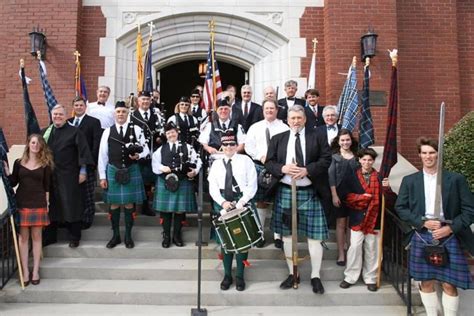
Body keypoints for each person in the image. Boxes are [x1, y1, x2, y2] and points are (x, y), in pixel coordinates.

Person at [396, 137, 474, 316]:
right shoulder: (410, 181)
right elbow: (401, 208)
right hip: (422, 234)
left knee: (449, 283)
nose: (428, 156)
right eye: (424, 153)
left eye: (431, 153)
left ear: (438, 155)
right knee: (426, 281)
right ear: (419, 155)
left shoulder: (455, 180)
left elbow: (470, 210)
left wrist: (451, 228)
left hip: (449, 235)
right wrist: (421, 222)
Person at [265, 104, 331, 294]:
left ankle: (315, 276)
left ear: (305, 119)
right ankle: (292, 273)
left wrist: (307, 170)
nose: (296, 121)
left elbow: (326, 159)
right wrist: (282, 169)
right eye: (292, 118)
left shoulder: (317, 136)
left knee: (314, 238)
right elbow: (269, 162)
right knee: (286, 237)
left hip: (310, 191)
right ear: (287, 120)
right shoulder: (278, 139)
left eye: (299, 118)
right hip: (286, 190)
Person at [339, 148, 395, 292]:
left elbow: (390, 200)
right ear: (359, 160)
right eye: (364, 159)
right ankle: (350, 277)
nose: (367, 162)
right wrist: (361, 198)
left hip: (375, 218)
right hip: (357, 218)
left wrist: (387, 189)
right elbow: (345, 196)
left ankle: (370, 278)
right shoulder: (351, 176)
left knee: (373, 249)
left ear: (373, 161)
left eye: (370, 160)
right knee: (355, 247)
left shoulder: (380, 177)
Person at [208, 132, 257, 291]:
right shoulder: (216, 164)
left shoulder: (246, 161)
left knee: (243, 241)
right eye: (226, 144)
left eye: (232, 144)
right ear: (222, 146)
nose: (229, 147)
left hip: (242, 201)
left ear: (236, 145)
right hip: (222, 201)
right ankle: (227, 275)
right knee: (226, 242)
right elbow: (213, 187)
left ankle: (240, 276)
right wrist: (222, 202)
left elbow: (252, 185)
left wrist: (241, 202)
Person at [98, 101, 149, 249]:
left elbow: (145, 150)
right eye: (118, 111)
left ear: (128, 114)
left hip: (131, 168)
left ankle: (128, 235)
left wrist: (139, 157)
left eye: (123, 112)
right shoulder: (107, 131)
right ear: (115, 114)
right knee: (114, 204)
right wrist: (102, 176)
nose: (121, 114)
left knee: (128, 203)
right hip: (113, 170)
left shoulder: (137, 129)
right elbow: (102, 155)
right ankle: (115, 236)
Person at [4, 134, 53, 286]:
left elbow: (47, 187)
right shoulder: (19, 163)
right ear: (28, 144)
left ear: (41, 146)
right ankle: (25, 271)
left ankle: (36, 270)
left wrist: (47, 204)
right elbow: (13, 183)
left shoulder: (45, 165)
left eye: (38, 143)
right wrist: (6, 172)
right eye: (33, 142)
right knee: (23, 239)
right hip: (22, 203)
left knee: (37, 238)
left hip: (38, 204)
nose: (35, 145)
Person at [42, 104, 94, 248]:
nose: (57, 117)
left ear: (66, 116)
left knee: (72, 205)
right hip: (50, 177)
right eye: (55, 114)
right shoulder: (45, 132)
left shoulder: (75, 132)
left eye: (60, 114)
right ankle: (51, 236)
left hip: (69, 175)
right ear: (51, 116)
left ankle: (74, 237)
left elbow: (83, 152)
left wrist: (83, 171)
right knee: (51, 207)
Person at [244, 98, 289, 248]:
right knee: (261, 202)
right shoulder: (255, 127)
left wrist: (276, 162)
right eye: (266, 108)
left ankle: (278, 236)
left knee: (278, 202)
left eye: (272, 108)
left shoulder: (284, 128)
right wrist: (260, 156)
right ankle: (260, 234)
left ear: (277, 110)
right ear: (263, 111)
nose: (269, 111)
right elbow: (249, 147)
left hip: (278, 168)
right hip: (259, 166)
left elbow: (288, 148)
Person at [152, 122, 201, 248]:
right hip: (165, 181)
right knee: (166, 211)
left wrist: (194, 171)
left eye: (173, 132)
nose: (171, 135)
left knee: (179, 211)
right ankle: (166, 236)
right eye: (168, 133)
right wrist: (162, 168)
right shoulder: (161, 149)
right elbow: (155, 164)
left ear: (177, 133)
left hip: (183, 181)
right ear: (165, 135)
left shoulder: (188, 147)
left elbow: (197, 161)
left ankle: (177, 235)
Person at [68, 96, 103, 229]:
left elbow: (96, 143)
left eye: (81, 105)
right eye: (76, 105)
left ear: (85, 107)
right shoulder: (69, 122)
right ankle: (75, 217)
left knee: (87, 194)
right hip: (71, 165)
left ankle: (87, 218)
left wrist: (91, 162)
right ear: (73, 107)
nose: (78, 107)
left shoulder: (93, 122)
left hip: (87, 164)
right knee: (74, 193)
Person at [130, 91, 165, 216]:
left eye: (147, 99)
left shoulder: (156, 115)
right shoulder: (132, 115)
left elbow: (161, 131)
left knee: (148, 182)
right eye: (142, 99)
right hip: (138, 154)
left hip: (153, 154)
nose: (145, 101)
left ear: (151, 101)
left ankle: (145, 207)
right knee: (135, 181)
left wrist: (160, 138)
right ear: (138, 101)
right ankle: (133, 208)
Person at [329, 129, 360, 266]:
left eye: (347, 139)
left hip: (354, 194)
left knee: (351, 224)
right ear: (338, 141)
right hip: (340, 194)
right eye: (342, 140)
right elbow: (331, 177)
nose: (345, 142)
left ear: (351, 140)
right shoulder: (334, 157)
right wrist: (334, 195)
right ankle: (341, 253)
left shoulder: (358, 156)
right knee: (341, 224)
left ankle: (350, 252)